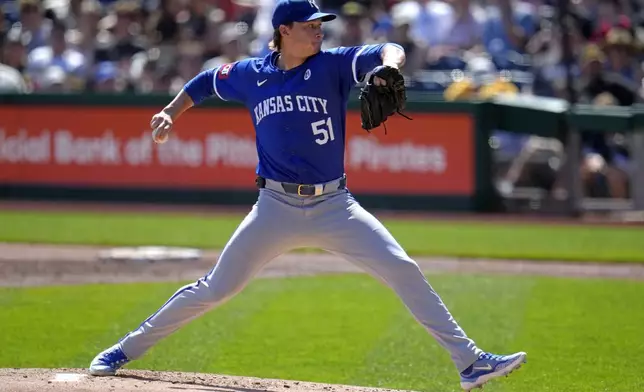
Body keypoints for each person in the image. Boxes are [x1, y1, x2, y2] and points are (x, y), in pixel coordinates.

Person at [88, 1, 527, 390]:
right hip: (274, 208)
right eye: (310, 24)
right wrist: (169, 111)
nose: (319, 30)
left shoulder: (332, 65)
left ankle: (469, 362)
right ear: (284, 31)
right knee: (216, 288)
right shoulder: (250, 74)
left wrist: (390, 69)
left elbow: (389, 50)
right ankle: (123, 350)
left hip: (335, 204)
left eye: (320, 24)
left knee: (402, 268)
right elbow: (204, 82)